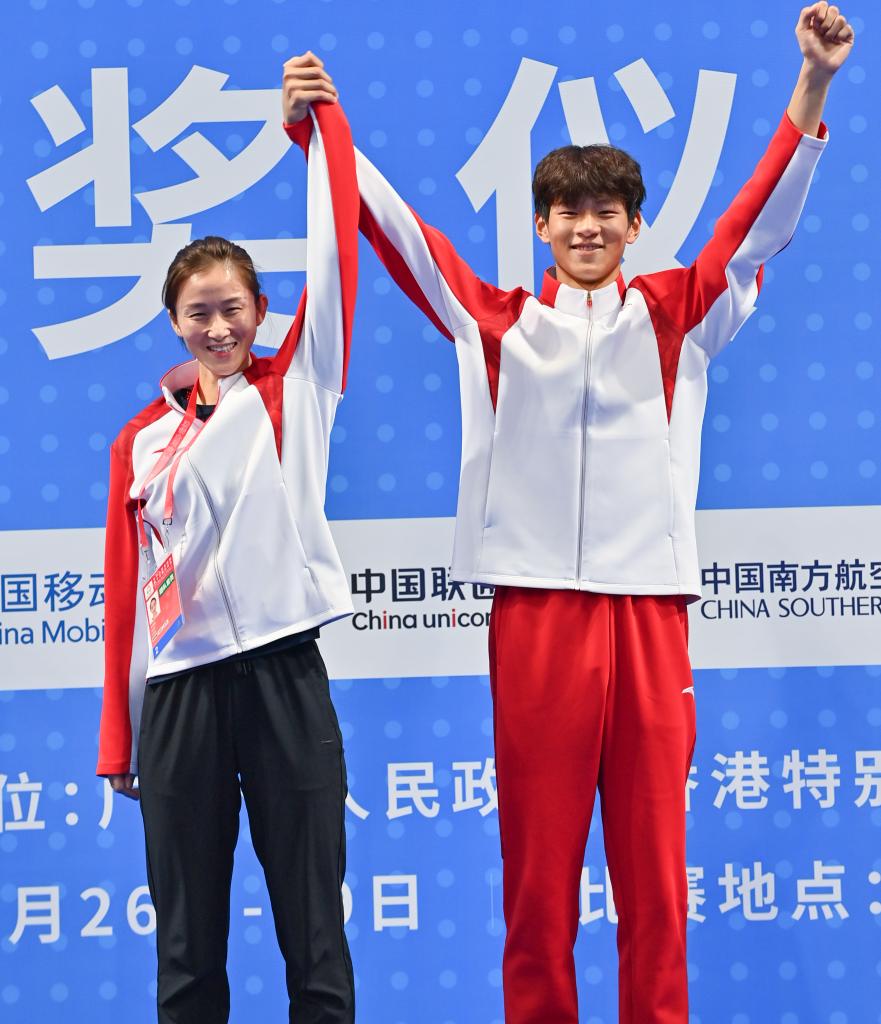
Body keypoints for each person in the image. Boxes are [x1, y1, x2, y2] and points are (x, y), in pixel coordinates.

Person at [282, 5, 854, 1022]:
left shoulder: (679, 316)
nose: (586, 226)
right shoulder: (496, 325)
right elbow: (398, 231)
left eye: (606, 211)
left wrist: (811, 82)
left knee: (655, 885)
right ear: (540, 226)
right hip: (536, 616)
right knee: (537, 886)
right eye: (566, 211)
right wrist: (320, 132)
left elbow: (755, 223)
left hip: (648, 616)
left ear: (633, 227)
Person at [96, 100, 359, 1024]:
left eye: (233, 309)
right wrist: (120, 735)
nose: (218, 327)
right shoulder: (139, 441)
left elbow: (336, 258)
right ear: (173, 322)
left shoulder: (296, 390)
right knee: (186, 949)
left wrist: (319, 130)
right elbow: (126, 601)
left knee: (315, 937)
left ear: (260, 313)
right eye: (198, 313)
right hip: (179, 701)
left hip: (285, 678)